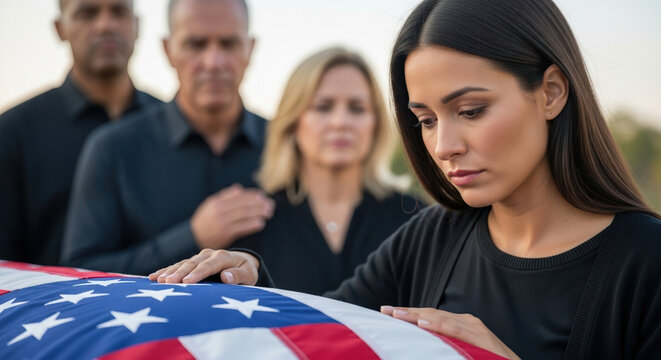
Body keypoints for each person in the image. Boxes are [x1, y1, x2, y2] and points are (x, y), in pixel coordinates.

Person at [149, 0, 661, 359]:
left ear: (550, 92)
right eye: (427, 119)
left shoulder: (646, 263)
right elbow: (323, 329)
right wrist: (250, 278)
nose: (443, 147)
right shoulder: (433, 236)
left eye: (471, 110)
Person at [60, 0, 273, 275]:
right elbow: (80, 271)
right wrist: (193, 237)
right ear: (168, 50)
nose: (213, 61)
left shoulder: (289, 146)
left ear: (250, 48)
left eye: (229, 43)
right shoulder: (112, 149)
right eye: (196, 44)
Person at [230, 47, 421, 295]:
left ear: (375, 124)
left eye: (357, 108)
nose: (341, 121)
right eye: (323, 107)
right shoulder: (251, 219)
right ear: (293, 123)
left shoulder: (415, 217)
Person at [0, 0, 161, 266]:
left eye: (119, 12)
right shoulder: (12, 133)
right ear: (60, 28)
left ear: (137, 25)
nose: (105, 25)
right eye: (88, 13)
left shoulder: (173, 127)